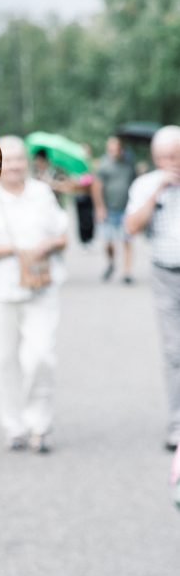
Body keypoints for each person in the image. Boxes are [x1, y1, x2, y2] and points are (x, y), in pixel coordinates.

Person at [0, 136, 68, 453]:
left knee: (40, 357)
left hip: (41, 288)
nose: (16, 165)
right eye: (8, 159)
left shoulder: (42, 194)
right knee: (5, 360)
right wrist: (13, 249)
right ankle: (14, 426)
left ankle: (40, 424)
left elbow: (62, 236)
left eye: (20, 159)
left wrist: (44, 246)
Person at [125, 125, 180, 451]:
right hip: (165, 274)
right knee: (175, 353)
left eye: (174, 156)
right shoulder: (146, 184)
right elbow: (131, 226)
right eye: (162, 158)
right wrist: (156, 190)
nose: (169, 162)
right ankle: (178, 424)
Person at [93, 135, 137, 284]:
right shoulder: (103, 165)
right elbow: (96, 187)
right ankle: (111, 263)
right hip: (108, 209)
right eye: (110, 149)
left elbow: (135, 184)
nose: (113, 151)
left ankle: (127, 272)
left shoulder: (129, 164)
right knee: (109, 243)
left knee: (127, 240)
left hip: (126, 209)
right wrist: (100, 207)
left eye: (116, 148)